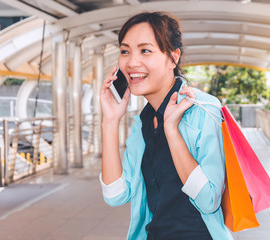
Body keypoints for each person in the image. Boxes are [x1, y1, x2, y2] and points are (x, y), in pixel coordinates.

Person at [99, 11, 233, 240]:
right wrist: (110, 122)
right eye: (125, 51)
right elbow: (116, 195)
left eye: (145, 50)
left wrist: (172, 131)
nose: (132, 62)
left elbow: (209, 200)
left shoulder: (204, 109)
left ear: (173, 57)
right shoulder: (142, 121)